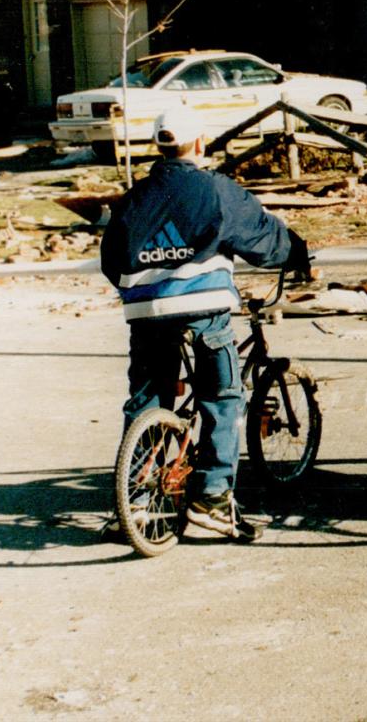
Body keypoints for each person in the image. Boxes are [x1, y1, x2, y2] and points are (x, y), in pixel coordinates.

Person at [100, 106, 310, 541]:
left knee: (146, 399)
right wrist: (297, 253)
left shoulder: (135, 196)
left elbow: (112, 257)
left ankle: (135, 501)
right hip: (203, 307)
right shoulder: (216, 190)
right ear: (200, 144)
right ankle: (213, 500)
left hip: (146, 312)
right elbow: (262, 236)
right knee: (222, 396)